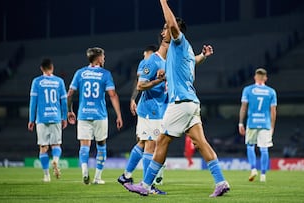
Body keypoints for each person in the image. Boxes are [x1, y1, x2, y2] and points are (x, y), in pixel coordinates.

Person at [124, 0, 230, 197]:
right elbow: (192, 62)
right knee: (201, 143)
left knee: (161, 140)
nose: (163, 31)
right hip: (192, 103)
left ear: (175, 30)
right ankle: (221, 181)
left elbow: (172, 24)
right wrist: (204, 56)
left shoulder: (178, 41)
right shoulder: (186, 51)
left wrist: (163, 2)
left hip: (180, 103)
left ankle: (145, 186)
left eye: (165, 28)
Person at [67, 47, 123, 185]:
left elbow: (69, 94)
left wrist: (69, 110)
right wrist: (119, 115)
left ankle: (85, 171)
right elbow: (112, 95)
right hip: (100, 115)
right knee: (101, 145)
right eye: (103, 56)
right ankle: (97, 177)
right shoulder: (105, 74)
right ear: (98, 58)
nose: (104, 59)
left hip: (84, 114)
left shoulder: (80, 73)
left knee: (84, 146)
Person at [117, 43, 169, 192]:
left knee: (143, 143)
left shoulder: (166, 62)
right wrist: (134, 98)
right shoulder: (150, 61)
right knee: (151, 145)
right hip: (150, 110)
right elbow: (140, 84)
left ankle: (126, 175)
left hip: (157, 109)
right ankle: (148, 184)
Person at [28, 58, 68, 182]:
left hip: (41, 118)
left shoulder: (36, 82)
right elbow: (64, 101)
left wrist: (31, 119)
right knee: (56, 144)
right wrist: (64, 117)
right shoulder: (59, 81)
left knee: (43, 147)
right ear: (52, 67)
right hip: (55, 117)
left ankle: (46, 176)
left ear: (41, 68)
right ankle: (55, 161)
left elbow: (33, 102)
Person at [238, 67, 277, 182]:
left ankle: (253, 168)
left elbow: (243, 107)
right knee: (264, 149)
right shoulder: (271, 91)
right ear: (265, 78)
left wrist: (240, 123)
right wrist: (272, 126)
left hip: (252, 122)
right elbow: (273, 111)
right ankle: (263, 175)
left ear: (255, 77)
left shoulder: (248, 90)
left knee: (250, 146)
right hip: (265, 123)